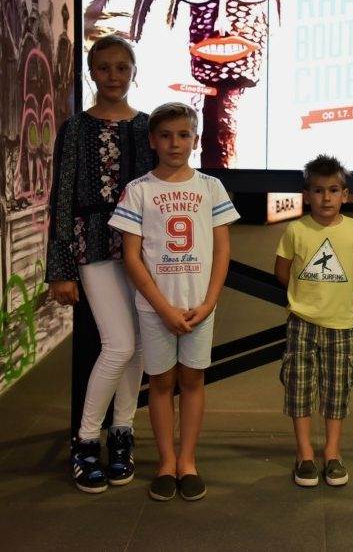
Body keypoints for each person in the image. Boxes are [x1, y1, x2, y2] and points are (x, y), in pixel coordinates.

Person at [108, 103, 238, 501]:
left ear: (196, 140)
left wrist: (210, 302)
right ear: (152, 140)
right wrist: (163, 308)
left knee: (193, 380)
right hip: (156, 308)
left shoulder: (211, 187)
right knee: (161, 383)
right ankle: (166, 461)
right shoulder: (139, 190)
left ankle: (187, 460)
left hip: (199, 306)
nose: (174, 143)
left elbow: (222, 251)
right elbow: (132, 257)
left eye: (183, 135)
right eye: (165, 136)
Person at [47, 35, 154, 494]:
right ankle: (86, 440)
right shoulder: (75, 128)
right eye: (104, 68)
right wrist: (60, 267)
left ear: (133, 72)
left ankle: (122, 435)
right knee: (119, 344)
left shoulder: (148, 127)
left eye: (122, 67)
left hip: (143, 247)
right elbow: (62, 197)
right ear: (91, 72)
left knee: (140, 345)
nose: (113, 76)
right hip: (91, 244)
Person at [274, 155, 353, 487]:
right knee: (299, 386)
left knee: (337, 388)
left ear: (345, 195)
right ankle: (304, 453)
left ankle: (332, 452)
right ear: (307, 195)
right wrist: (302, 297)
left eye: (334, 190)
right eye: (318, 191)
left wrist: (352, 305)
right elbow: (282, 270)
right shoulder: (296, 229)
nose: (326, 198)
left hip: (340, 326)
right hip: (301, 323)